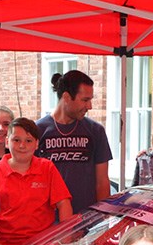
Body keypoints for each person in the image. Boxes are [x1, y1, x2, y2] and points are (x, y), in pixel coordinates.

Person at [0, 118, 72, 245]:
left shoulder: (47, 168)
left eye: (28, 140)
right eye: (16, 140)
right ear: (7, 141)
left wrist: (65, 238)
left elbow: (63, 203)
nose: (22, 145)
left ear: (37, 144)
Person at [35, 70, 112, 212]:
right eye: (85, 100)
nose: (90, 106)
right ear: (66, 97)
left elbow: (102, 182)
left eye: (90, 100)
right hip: (46, 222)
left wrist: (102, 218)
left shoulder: (96, 131)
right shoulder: (37, 131)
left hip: (86, 221)